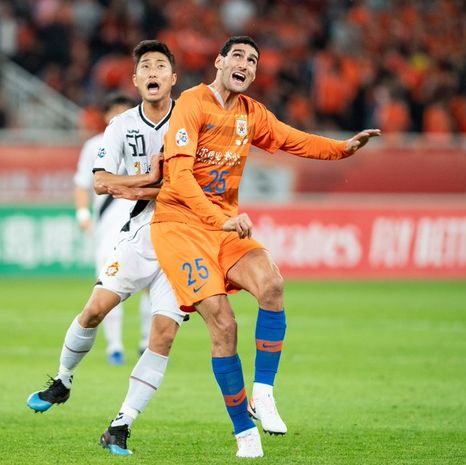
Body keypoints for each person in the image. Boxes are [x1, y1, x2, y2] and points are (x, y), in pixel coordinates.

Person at [151, 36, 381, 458]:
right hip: (180, 227)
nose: (244, 63)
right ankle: (244, 433)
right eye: (237, 55)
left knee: (272, 285)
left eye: (252, 60)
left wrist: (342, 149)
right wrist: (221, 218)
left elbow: (293, 138)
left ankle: (263, 392)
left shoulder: (250, 113)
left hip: (223, 227)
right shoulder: (191, 103)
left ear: (255, 73)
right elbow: (179, 177)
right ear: (219, 62)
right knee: (224, 324)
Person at [26, 41, 188, 456]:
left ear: (173, 78)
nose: (153, 71)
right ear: (136, 80)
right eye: (145, 66)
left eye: (161, 65)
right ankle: (62, 380)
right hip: (140, 234)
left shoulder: (191, 122)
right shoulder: (119, 128)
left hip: (186, 239)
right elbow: (100, 182)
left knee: (163, 334)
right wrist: (152, 184)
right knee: (96, 308)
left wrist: (130, 182)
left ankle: (120, 426)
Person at [73, 92, 152, 365]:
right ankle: (115, 346)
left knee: (150, 284)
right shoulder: (94, 145)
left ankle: (145, 341)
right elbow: (83, 183)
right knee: (107, 283)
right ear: (105, 116)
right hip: (107, 227)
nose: (118, 116)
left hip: (141, 221)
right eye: (113, 111)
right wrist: (83, 212)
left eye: (124, 110)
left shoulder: (145, 142)